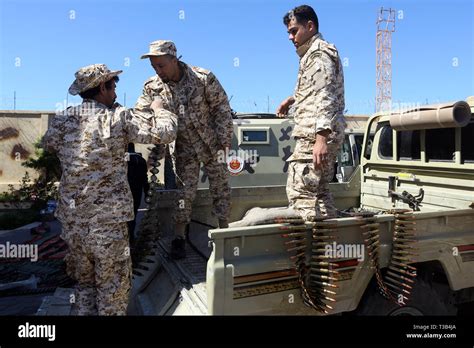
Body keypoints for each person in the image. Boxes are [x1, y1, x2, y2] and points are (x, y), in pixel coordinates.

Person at [43, 64, 177, 315]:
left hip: (73, 222)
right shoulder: (117, 118)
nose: (115, 92)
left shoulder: (62, 119)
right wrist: (159, 110)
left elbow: (49, 144)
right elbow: (165, 133)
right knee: (112, 291)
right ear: (102, 87)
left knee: (84, 284)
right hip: (108, 223)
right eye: (113, 86)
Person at [135, 40, 233, 259]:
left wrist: (225, 140)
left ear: (174, 59)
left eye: (161, 65)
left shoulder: (203, 78)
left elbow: (222, 109)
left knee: (221, 187)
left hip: (211, 144)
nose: (158, 71)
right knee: (184, 193)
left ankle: (224, 232)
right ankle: (179, 237)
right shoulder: (152, 87)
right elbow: (140, 114)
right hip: (182, 148)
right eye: (154, 67)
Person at [276, 5, 347, 221]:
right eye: (288, 32)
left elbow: (325, 94)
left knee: (302, 197)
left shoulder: (318, 53)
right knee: (319, 195)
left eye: (294, 30)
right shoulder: (311, 54)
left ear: (310, 26)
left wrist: (321, 139)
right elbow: (317, 89)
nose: (290, 37)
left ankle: (312, 251)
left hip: (314, 137)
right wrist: (293, 98)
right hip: (317, 134)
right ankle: (329, 249)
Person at [126, 143, 150, 248]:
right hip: (137, 192)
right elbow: (145, 180)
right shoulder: (141, 160)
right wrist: (147, 193)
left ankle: (126, 240)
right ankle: (131, 239)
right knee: (133, 216)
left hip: (124, 192)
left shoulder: (121, 160)